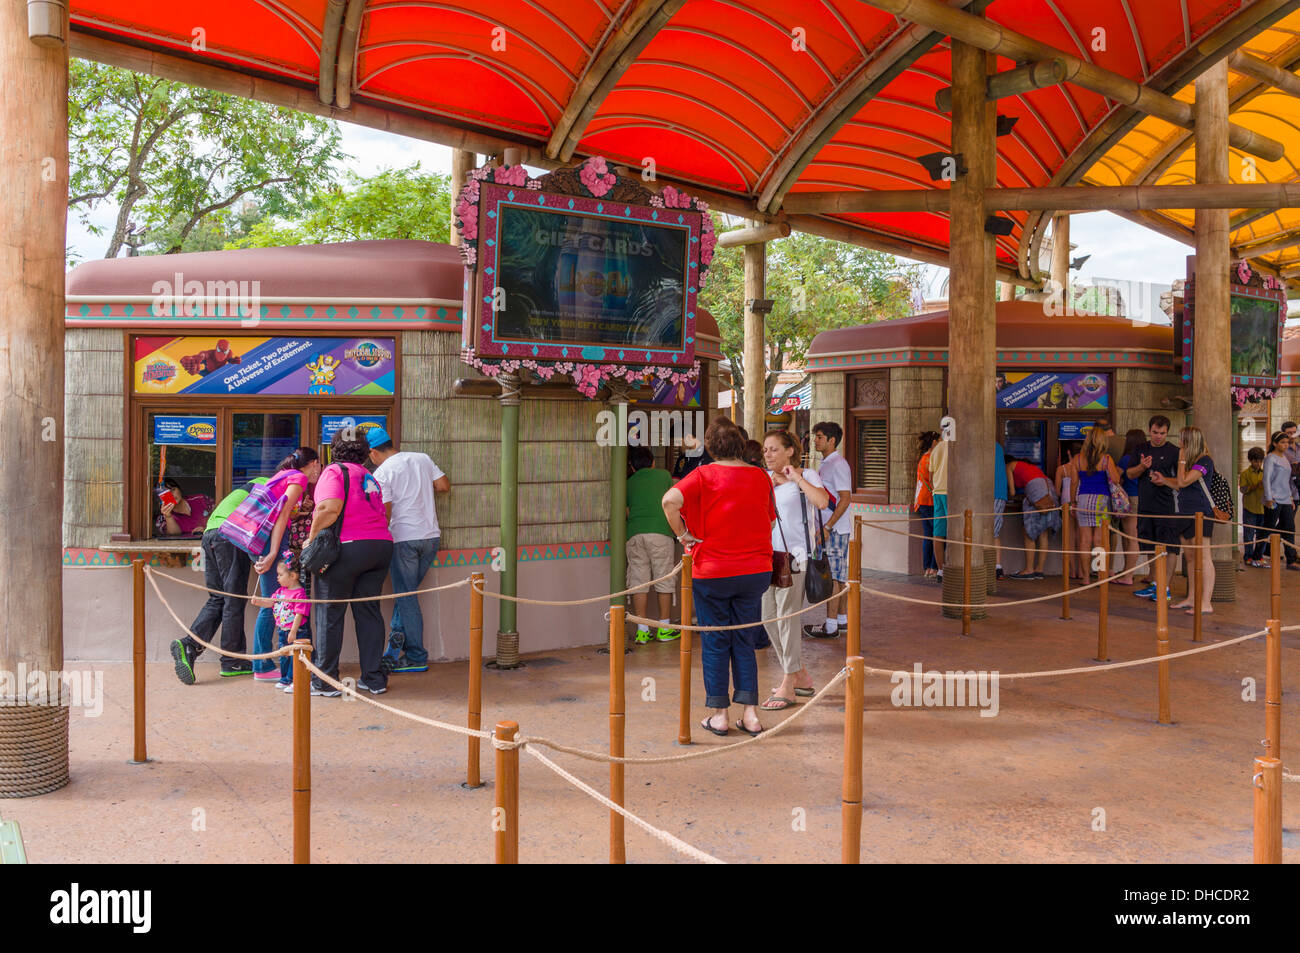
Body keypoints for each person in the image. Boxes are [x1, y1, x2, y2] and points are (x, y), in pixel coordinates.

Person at [662, 417, 774, 738]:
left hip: (712, 570)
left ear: (710, 445)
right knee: (744, 639)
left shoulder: (703, 474)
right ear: (741, 444)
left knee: (714, 639)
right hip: (755, 570)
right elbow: (769, 522)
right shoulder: (760, 477)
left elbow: (670, 500)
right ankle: (750, 714)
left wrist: (683, 534)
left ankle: (720, 714)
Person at [305, 429, 395, 697]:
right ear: (366, 452)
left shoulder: (334, 472)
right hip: (380, 546)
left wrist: (311, 539)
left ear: (334, 451)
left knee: (329, 613)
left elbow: (328, 508)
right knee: (369, 612)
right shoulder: (370, 476)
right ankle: (373, 678)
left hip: (347, 547)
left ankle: (325, 681)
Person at [368, 427, 451, 673]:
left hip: (403, 539)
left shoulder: (382, 472)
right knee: (408, 594)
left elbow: (386, 512)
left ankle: (416, 656)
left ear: (373, 453)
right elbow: (444, 486)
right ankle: (397, 638)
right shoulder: (421, 458)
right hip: (431, 538)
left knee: (406, 597)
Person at [169, 480, 266, 683]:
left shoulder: (254, 485)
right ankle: (232, 661)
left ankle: (189, 645)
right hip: (230, 536)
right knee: (233, 599)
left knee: (218, 599)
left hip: (210, 534)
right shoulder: (274, 487)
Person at [759, 430, 829, 711]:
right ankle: (799, 673)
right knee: (767, 617)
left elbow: (822, 502)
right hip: (767, 557)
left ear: (790, 451)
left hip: (795, 557)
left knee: (787, 618)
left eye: (774, 449)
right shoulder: (764, 480)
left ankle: (789, 683)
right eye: (765, 450)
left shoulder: (807, 476)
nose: (768, 454)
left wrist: (796, 478)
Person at [249, 448, 320, 682]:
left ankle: (266, 663)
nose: (319, 471)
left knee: (273, 601)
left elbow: (282, 512)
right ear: (313, 464)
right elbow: (280, 516)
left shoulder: (282, 475)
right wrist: (272, 553)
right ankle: (262, 666)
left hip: (260, 538)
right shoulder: (298, 477)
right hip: (270, 541)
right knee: (272, 602)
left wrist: (299, 512)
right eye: (318, 466)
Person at [1150, 426, 1215, 615]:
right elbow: (1179, 483)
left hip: (1201, 514)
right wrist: (1163, 480)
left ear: (1188, 442)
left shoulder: (1204, 460)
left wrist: (1181, 458)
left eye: (1181, 439)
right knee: (1190, 558)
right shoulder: (1190, 461)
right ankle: (1192, 598)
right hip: (1185, 513)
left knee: (1204, 557)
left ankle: (1206, 602)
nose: (1178, 442)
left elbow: (1184, 481)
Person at [801, 422, 853, 638]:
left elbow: (845, 498)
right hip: (830, 528)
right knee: (838, 575)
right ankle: (841, 620)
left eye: (820, 436)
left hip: (835, 529)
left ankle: (830, 625)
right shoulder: (828, 463)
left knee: (834, 576)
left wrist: (829, 526)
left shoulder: (838, 464)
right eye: (815, 436)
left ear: (832, 440)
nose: (815, 440)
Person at [625, 445, 677, 644]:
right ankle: (664, 629)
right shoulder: (664, 476)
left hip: (635, 534)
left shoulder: (628, 483)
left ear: (631, 466)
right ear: (653, 462)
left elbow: (628, 512)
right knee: (664, 577)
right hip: (661, 533)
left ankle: (642, 630)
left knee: (639, 580)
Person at [1129, 415, 1181, 602]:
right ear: (1149, 430)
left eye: (1162, 433)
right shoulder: (1140, 449)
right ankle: (1154, 584)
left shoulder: (1175, 452)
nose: (1158, 436)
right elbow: (1129, 473)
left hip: (1168, 507)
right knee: (1150, 546)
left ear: (1168, 432)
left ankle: (1164, 588)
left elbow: (1182, 482)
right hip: (1145, 506)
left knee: (1170, 548)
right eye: (1155, 433)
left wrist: (1164, 481)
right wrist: (1142, 467)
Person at [248, 553, 311, 691]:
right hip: (283, 630)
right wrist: (258, 601)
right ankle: (285, 679)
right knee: (284, 656)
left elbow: (300, 614)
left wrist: (293, 631)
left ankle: (296, 680)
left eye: (280, 575)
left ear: (293, 576)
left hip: (296, 631)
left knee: (296, 656)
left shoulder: (299, 594)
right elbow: (271, 603)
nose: (277, 578)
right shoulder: (280, 591)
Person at [1072, 426, 1124, 586]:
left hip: (1083, 500)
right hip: (1101, 500)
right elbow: (1115, 479)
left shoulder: (1078, 459)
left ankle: (1086, 578)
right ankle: (1100, 576)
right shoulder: (1106, 459)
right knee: (1099, 540)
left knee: (1084, 541)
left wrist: (1073, 502)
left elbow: (1074, 483)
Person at [1007, 457, 1059, 579]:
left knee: (1028, 531)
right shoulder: (1031, 468)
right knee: (1043, 532)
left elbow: (1012, 492)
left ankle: (1029, 570)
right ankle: (1039, 570)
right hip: (1049, 488)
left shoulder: (1009, 466)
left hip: (1036, 490)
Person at [1112, 428, 1145, 585]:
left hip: (1130, 498)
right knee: (1131, 536)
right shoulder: (1145, 457)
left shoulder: (1127, 458)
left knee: (1131, 537)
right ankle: (1126, 571)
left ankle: (1128, 576)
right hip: (1143, 497)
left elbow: (1115, 477)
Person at [1263, 430, 1299, 571]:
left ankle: (1291, 560)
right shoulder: (1271, 458)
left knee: (1289, 528)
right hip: (1274, 498)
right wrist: (1268, 497)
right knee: (1268, 527)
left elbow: (1287, 481)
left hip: (1285, 499)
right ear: (1274, 443)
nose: (1285, 445)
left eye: (1287, 443)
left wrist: (1290, 497)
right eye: (1282, 442)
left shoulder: (1285, 459)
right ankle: (1257, 555)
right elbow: (1266, 479)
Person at [1054, 441, 1083, 580]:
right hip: (1081, 502)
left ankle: (1072, 571)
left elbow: (1057, 491)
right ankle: (1083, 571)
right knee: (1083, 538)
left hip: (1066, 503)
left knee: (1069, 538)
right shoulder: (1083, 467)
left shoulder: (1062, 469)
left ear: (1068, 452)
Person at [913, 431, 940, 578]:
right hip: (930, 499)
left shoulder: (923, 458)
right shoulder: (931, 458)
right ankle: (934, 567)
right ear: (934, 442)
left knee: (928, 535)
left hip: (922, 500)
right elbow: (933, 479)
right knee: (937, 534)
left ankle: (927, 567)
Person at [927, 426, 950, 582]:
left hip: (938, 493)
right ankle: (955, 568)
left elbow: (930, 476)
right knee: (956, 531)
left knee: (938, 533)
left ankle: (941, 570)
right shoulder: (959, 446)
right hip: (952, 493)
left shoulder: (937, 449)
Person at [1240, 447, 1266, 568]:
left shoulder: (1265, 473)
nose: (1258, 463)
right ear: (1250, 460)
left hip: (1263, 508)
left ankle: (1259, 556)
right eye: (1256, 461)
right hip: (1250, 508)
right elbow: (1242, 489)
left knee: (1262, 535)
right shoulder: (1245, 474)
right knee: (1249, 534)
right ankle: (1248, 556)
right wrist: (1255, 486)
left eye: (1260, 461)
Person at [992, 440, 1010, 580]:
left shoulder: (986, 445)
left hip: (993, 492)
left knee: (991, 532)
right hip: (999, 493)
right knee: (994, 532)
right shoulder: (997, 446)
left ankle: (996, 566)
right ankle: (997, 566)